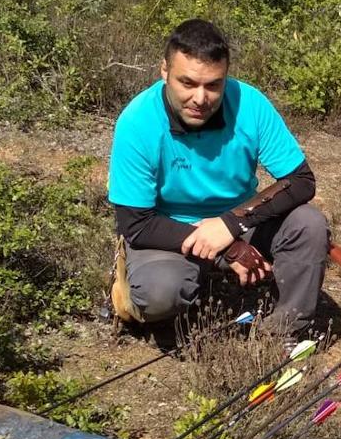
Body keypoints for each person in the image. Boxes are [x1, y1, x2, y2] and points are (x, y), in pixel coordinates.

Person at [107, 19, 328, 340]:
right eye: (187, 83)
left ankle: (284, 333)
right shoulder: (137, 121)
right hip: (166, 229)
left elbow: (301, 180)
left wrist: (231, 225)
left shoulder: (249, 104)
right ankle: (159, 289)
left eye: (213, 85)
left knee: (309, 224)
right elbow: (137, 224)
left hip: (240, 220)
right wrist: (226, 249)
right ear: (164, 72)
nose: (201, 98)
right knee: (159, 294)